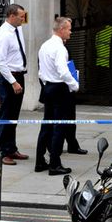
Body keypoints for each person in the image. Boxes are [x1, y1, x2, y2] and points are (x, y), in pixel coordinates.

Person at [36, 17, 79, 176]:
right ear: (61, 29)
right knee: (59, 127)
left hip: (48, 87)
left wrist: (46, 83)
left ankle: (40, 161)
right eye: (68, 28)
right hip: (60, 88)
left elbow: (40, 72)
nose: (70, 31)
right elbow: (63, 71)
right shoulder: (60, 48)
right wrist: (74, 85)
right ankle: (55, 164)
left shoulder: (45, 45)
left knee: (46, 125)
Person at [0, 4, 29, 165]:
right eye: (21, 16)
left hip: (19, 76)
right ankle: (1, 151)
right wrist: (13, 82)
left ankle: (11, 148)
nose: (23, 18)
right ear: (11, 16)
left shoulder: (17, 29)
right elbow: (0, 63)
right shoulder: (3, 34)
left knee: (14, 116)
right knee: (6, 115)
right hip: (9, 79)